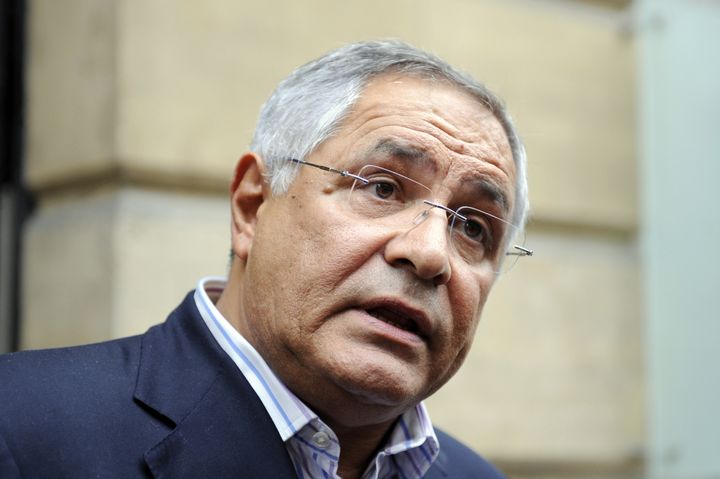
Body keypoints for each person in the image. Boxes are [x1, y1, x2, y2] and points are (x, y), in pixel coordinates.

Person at [0, 40, 531, 478]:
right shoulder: (20, 425)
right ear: (252, 205)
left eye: (472, 227)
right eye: (382, 188)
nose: (429, 252)